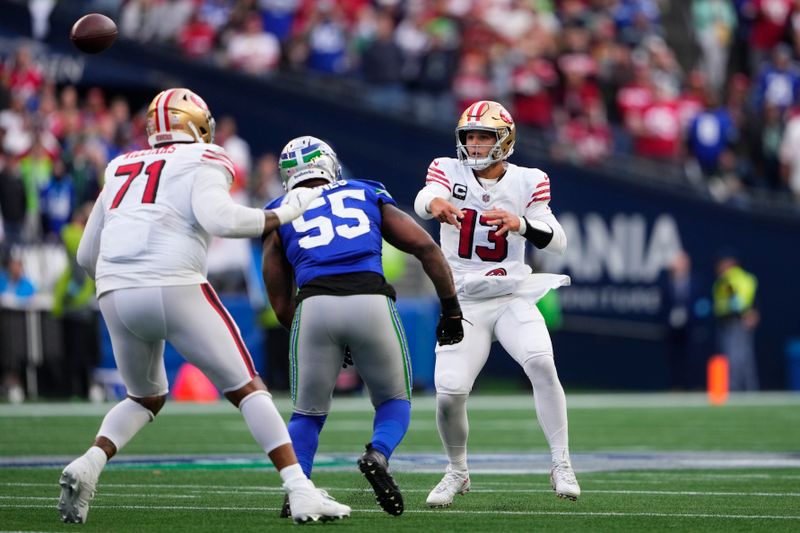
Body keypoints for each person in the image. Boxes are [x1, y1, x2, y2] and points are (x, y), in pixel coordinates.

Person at [58, 88, 350, 525]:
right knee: (248, 389)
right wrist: (288, 210)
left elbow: (85, 256)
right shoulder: (205, 158)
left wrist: (126, 283)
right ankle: (300, 489)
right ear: (195, 123)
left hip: (114, 294)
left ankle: (89, 463)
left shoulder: (121, 165)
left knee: (144, 396)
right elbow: (223, 221)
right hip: (175, 284)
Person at [262, 136, 464, 517]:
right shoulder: (364, 191)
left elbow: (279, 300)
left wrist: (311, 336)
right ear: (330, 165)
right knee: (394, 400)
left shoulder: (278, 211)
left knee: (306, 414)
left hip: (314, 306)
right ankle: (378, 454)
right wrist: (451, 308)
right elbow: (425, 248)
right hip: (370, 299)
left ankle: (298, 489)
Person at [413, 100, 580, 507]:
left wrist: (520, 223)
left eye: (483, 136)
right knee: (449, 392)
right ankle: (457, 471)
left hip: (510, 295)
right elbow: (425, 197)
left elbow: (557, 240)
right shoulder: (445, 169)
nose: (473, 144)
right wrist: (433, 204)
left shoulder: (529, 180)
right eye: (469, 136)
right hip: (463, 301)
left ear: (504, 139)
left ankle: (561, 462)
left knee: (541, 360)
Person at [712, 251, 759, 391]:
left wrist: (747, 313)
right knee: (742, 358)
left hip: (736, 321)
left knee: (736, 358)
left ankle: (737, 390)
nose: (719, 267)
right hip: (731, 321)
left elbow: (736, 299)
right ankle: (748, 389)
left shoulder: (729, 279)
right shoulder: (740, 278)